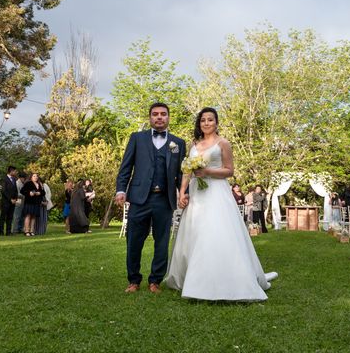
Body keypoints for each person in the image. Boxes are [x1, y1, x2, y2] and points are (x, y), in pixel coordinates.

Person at [166, 107, 277, 300]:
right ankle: (190, 277)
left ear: (216, 122)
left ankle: (223, 279)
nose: (206, 123)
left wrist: (207, 171)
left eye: (210, 120)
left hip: (216, 192)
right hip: (196, 193)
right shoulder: (194, 144)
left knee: (214, 231)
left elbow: (229, 171)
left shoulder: (223, 143)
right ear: (199, 123)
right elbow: (187, 171)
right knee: (195, 232)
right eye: (203, 120)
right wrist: (182, 192)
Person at [114, 102, 186, 294]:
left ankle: (155, 281)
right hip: (139, 198)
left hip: (164, 200)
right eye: (155, 114)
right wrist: (121, 190)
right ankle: (134, 280)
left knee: (162, 242)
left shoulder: (178, 143)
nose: (159, 117)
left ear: (169, 117)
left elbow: (181, 174)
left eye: (163, 114)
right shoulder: (137, 138)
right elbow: (126, 167)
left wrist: (184, 193)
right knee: (134, 241)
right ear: (150, 118)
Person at [0, 166, 18, 236]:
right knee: (3, 216)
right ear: (11, 171)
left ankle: (8, 231)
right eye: (15, 171)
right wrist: (10, 199)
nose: (16, 172)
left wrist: (15, 199)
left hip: (13, 201)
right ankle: (1, 231)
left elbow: (16, 190)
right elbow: (4, 191)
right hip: (6, 201)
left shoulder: (14, 179)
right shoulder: (4, 179)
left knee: (10, 217)